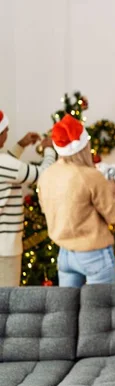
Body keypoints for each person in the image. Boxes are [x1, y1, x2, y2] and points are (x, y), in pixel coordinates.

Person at [38, 114, 115, 288]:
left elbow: (47, 210)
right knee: (101, 312)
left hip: (65, 254)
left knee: (68, 311)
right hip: (94, 255)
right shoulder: (91, 176)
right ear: (84, 145)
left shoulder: (47, 175)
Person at [0, 109, 56, 286]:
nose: (8, 133)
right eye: (6, 130)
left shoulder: (4, 164)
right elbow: (43, 174)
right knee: (6, 300)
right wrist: (49, 151)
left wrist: (21, 145)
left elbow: (8, 167)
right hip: (5, 249)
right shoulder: (6, 165)